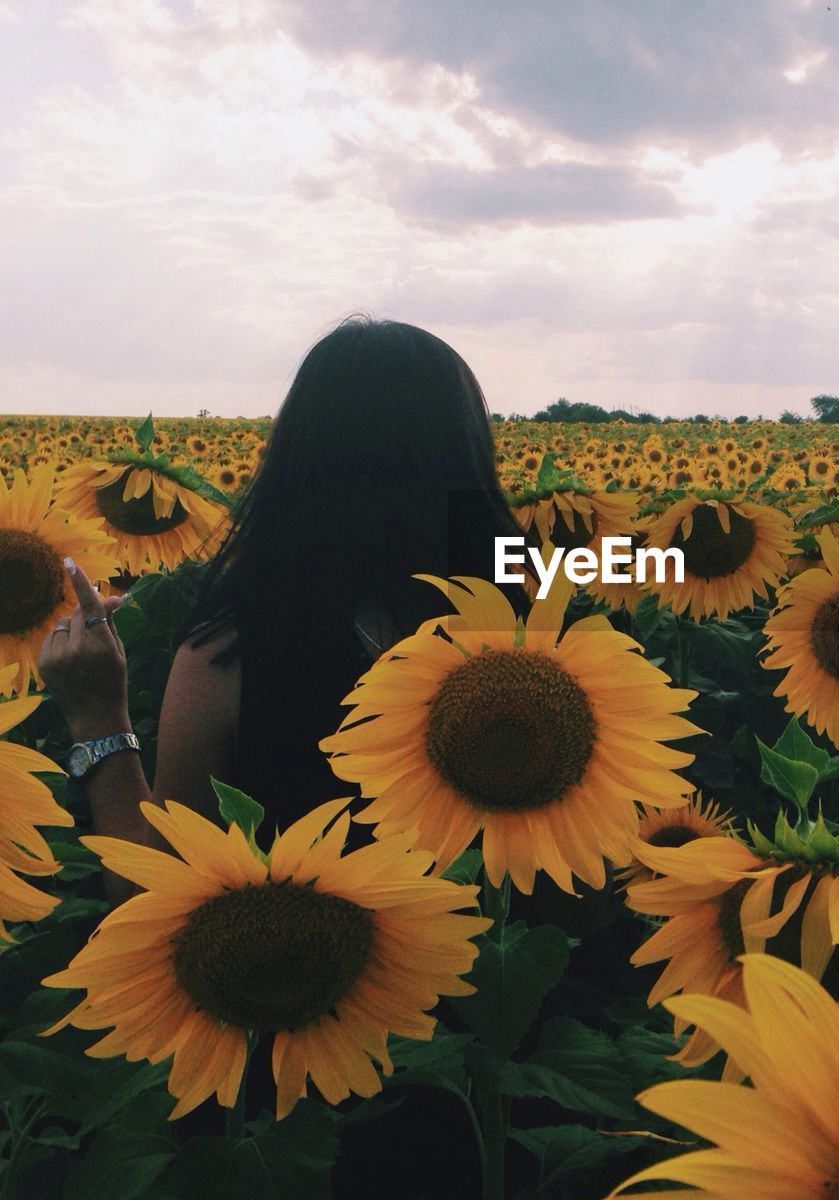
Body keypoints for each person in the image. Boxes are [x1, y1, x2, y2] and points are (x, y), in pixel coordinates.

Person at [37, 316, 529, 1196]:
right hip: (466, 1070)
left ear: (296, 460)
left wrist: (96, 718)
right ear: (464, 458)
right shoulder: (526, 650)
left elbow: (155, 893)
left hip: (277, 1062)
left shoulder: (231, 654)